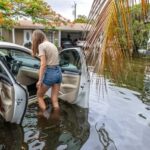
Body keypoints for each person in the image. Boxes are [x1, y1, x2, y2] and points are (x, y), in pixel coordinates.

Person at [31, 29, 62, 118]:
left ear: (36, 38)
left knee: (39, 96)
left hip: (50, 73)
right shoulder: (52, 45)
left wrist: (40, 80)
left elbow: (43, 64)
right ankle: (56, 118)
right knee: (54, 100)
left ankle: (45, 116)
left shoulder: (41, 46)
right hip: (58, 72)